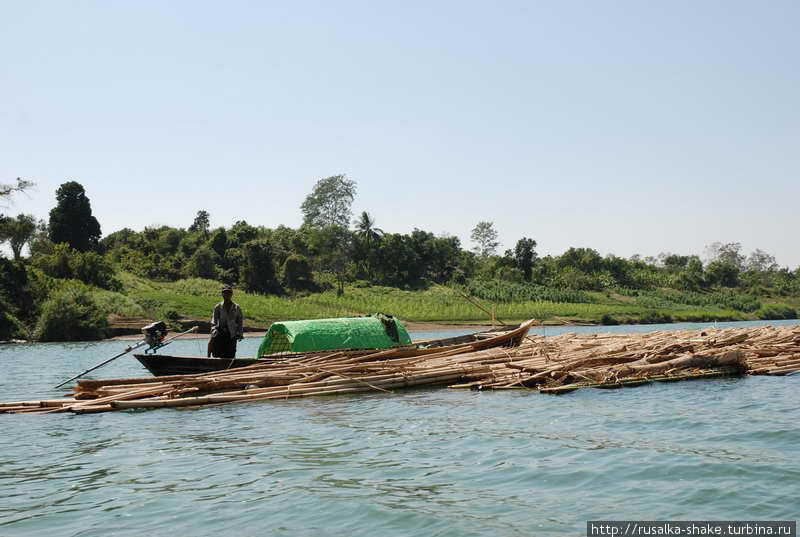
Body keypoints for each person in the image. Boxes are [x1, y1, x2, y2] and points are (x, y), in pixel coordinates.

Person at [208, 285, 244, 358]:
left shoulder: (236, 307)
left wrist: (240, 333)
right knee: (215, 348)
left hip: (232, 333)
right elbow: (214, 321)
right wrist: (214, 330)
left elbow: (240, 321)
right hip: (221, 331)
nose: (226, 294)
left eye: (228, 293)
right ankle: (208, 357)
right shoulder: (218, 307)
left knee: (230, 353)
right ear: (222, 294)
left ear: (231, 294)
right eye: (225, 293)